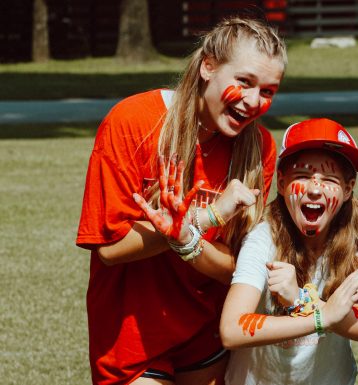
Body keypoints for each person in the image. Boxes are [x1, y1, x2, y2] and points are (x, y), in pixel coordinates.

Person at [76, 17, 287, 385]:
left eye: (268, 91)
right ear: (208, 66)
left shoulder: (259, 149)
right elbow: (109, 248)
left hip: (207, 334)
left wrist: (185, 237)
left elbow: (234, 267)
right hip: (132, 335)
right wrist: (205, 218)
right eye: (244, 82)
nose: (254, 101)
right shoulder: (134, 122)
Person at [219, 118, 358, 385]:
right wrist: (323, 317)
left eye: (329, 179)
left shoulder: (354, 242)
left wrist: (301, 300)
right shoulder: (264, 239)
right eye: (302, 176)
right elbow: (231, 330)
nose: (314, 189)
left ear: (348, 189)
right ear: (282, 182)